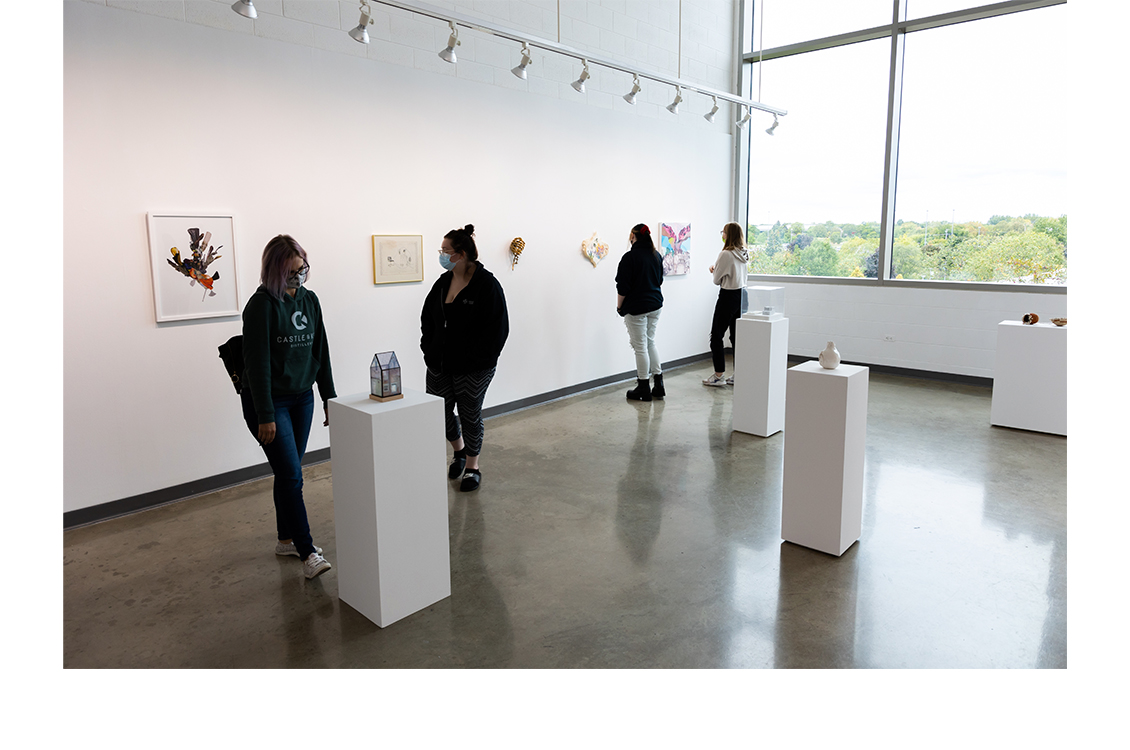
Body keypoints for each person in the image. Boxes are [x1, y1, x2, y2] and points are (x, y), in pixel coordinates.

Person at [241, 235, 336, 579]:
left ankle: (285, 539)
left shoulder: (310, 301)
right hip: (269, 402)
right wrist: (265, 415)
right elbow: (257, 365)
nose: (299, 276)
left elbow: (320, 352)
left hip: (302, 398)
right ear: (276, 271)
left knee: (289, 474)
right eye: (292, 271)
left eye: (303, 269)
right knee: (293, 475)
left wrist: (330, 400)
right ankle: (307, 551)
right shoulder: (261, 306)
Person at [421, 224, 509, 493]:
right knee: (440, 411)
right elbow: (428, 319)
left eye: (445, 251)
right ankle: (458, 451)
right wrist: (429, 349)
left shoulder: (487, 285)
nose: (442, 255)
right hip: (440, 364)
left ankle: (473, 466)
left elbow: (498, 330)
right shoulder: (442, 282)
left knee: (470, 414)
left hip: (475, 367)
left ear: (461, 254)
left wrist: (479, 360)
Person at [616, 223, 664, 402]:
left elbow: (622, 287)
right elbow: (659, 280)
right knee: (650, 342)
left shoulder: (630, 258)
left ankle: (643, 386)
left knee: (640, 347)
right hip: (655, 305)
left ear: (633, 237)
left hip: (636, 308)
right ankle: (658, 384)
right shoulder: (656, 255)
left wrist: (619, 307)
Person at [703, 222, 750, 387]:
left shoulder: (725, 254)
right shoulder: (744, 253)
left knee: (716, 336)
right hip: (743, 295)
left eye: (723, 231)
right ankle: (739, 375)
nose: (722, 234)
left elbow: (716, 280)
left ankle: (718, 375)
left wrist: (713, 269)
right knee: (737, 337)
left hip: (728, 295)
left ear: (728, 234)